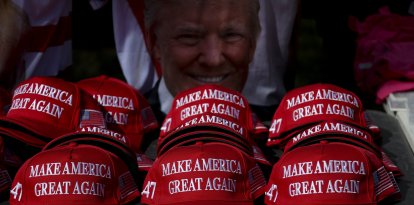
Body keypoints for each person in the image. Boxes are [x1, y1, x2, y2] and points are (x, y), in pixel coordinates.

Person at [142, 0, 300, 124]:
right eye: (190, 37)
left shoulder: (284, 134)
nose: (214, 60)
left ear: (252, 44)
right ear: (155, 43)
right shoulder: (125, 129)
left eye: (231, 35)